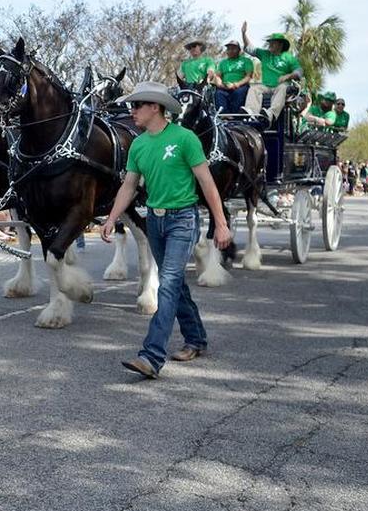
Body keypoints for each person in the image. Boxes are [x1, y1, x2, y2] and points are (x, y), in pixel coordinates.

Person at [101, 81, 232, 379]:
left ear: (155, 107)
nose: (131, 111)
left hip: (182, 220)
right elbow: (129, 186)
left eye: (137, 105)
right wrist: (111, 218)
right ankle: (196, 338)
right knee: (177, 286)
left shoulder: (185, 139)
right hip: (155, 223)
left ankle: (151, 356)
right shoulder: (138, 144)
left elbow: (207, 183)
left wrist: (221, 224)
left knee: (168, 284)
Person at [241, 22, 303, 123]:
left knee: (283, 88)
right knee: (254, 88)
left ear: (280, 44)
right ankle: (252, 113)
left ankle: (270, 115)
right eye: (270, 42)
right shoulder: (265, 54)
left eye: (273, 42)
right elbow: (249, 48)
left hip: (280, 86)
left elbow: (299, 72)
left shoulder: (289, 58)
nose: (270, 44)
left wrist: (288, 76)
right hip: (265, 85)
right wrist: (244, 34)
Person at [213, 39, 253, 114]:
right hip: (225, 86)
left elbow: (248, 76)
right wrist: (220, 85)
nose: (230, 50)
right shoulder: (222, 62)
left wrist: (236, 84)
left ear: (239, 50)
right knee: (219, 93)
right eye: (228, 49)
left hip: (240, 86)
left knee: (238, 93)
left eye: (233, 48)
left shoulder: (246, 61)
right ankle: (224, 115)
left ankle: (236, 116)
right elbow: (218, 76)